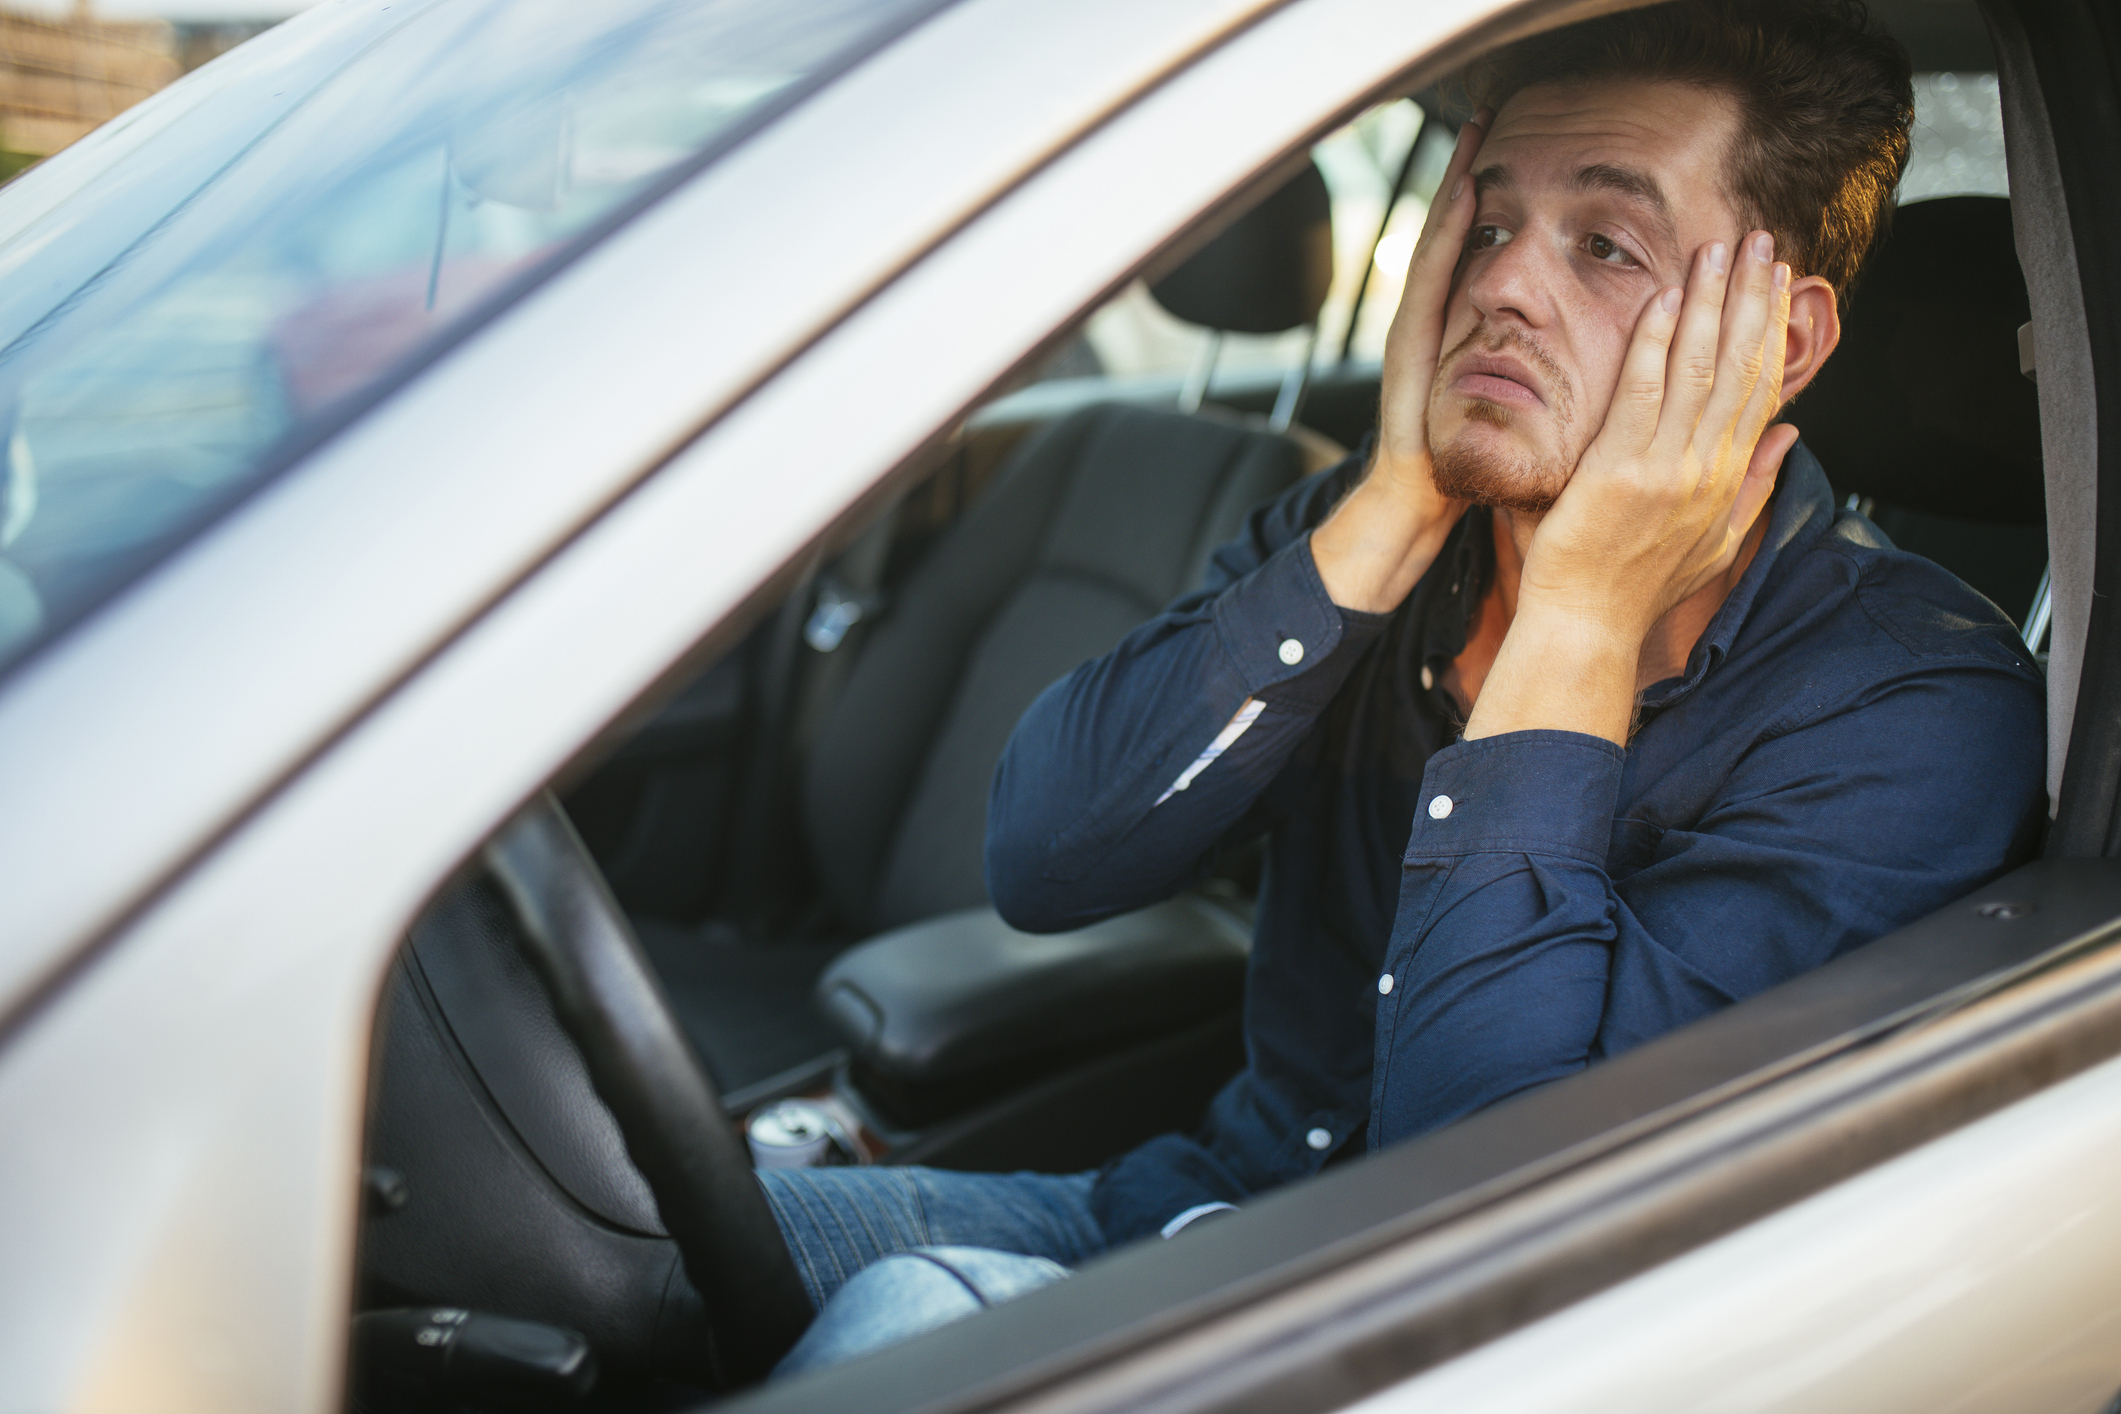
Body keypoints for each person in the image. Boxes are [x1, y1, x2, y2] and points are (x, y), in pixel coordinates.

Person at [758, 0, 2047, 1375]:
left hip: (1418, 1341)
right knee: (596, 1238)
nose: (1500, 286)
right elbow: (1041, 856)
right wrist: (1388, 498)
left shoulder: (1915, 708)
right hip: (1177, 1211)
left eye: (1603, 245)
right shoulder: (1381, 533)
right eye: (1487, 227)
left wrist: (1579, 611)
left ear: (1777, 345)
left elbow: (1486, 1200)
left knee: (904, 1335)